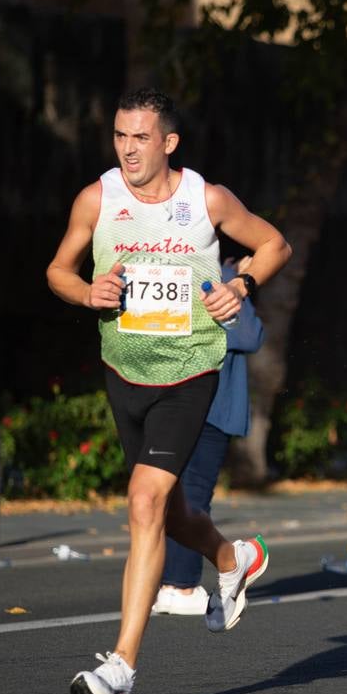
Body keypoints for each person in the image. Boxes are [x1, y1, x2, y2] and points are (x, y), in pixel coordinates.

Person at [46, 88, 291, 694]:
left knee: (144, 500)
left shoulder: (205, 199)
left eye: (141, 138)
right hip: (124, 370)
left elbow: (274, 245)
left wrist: (240, 284)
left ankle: (121, 667)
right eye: (120, 137)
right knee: (173, 510)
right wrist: (85, 294)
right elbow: (58, 270)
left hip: (190, 370)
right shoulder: (97, 198)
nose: (128, 149)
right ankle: (233, 557)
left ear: (168, 143)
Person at [151, 257, 263, 616]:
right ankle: (180, 586)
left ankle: (169, 582)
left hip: (169, 398)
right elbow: (250, 335)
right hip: (211, 404)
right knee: (194, 494)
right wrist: (242, 284)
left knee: (170, 492)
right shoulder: (225, 276)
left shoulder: (171, 268)